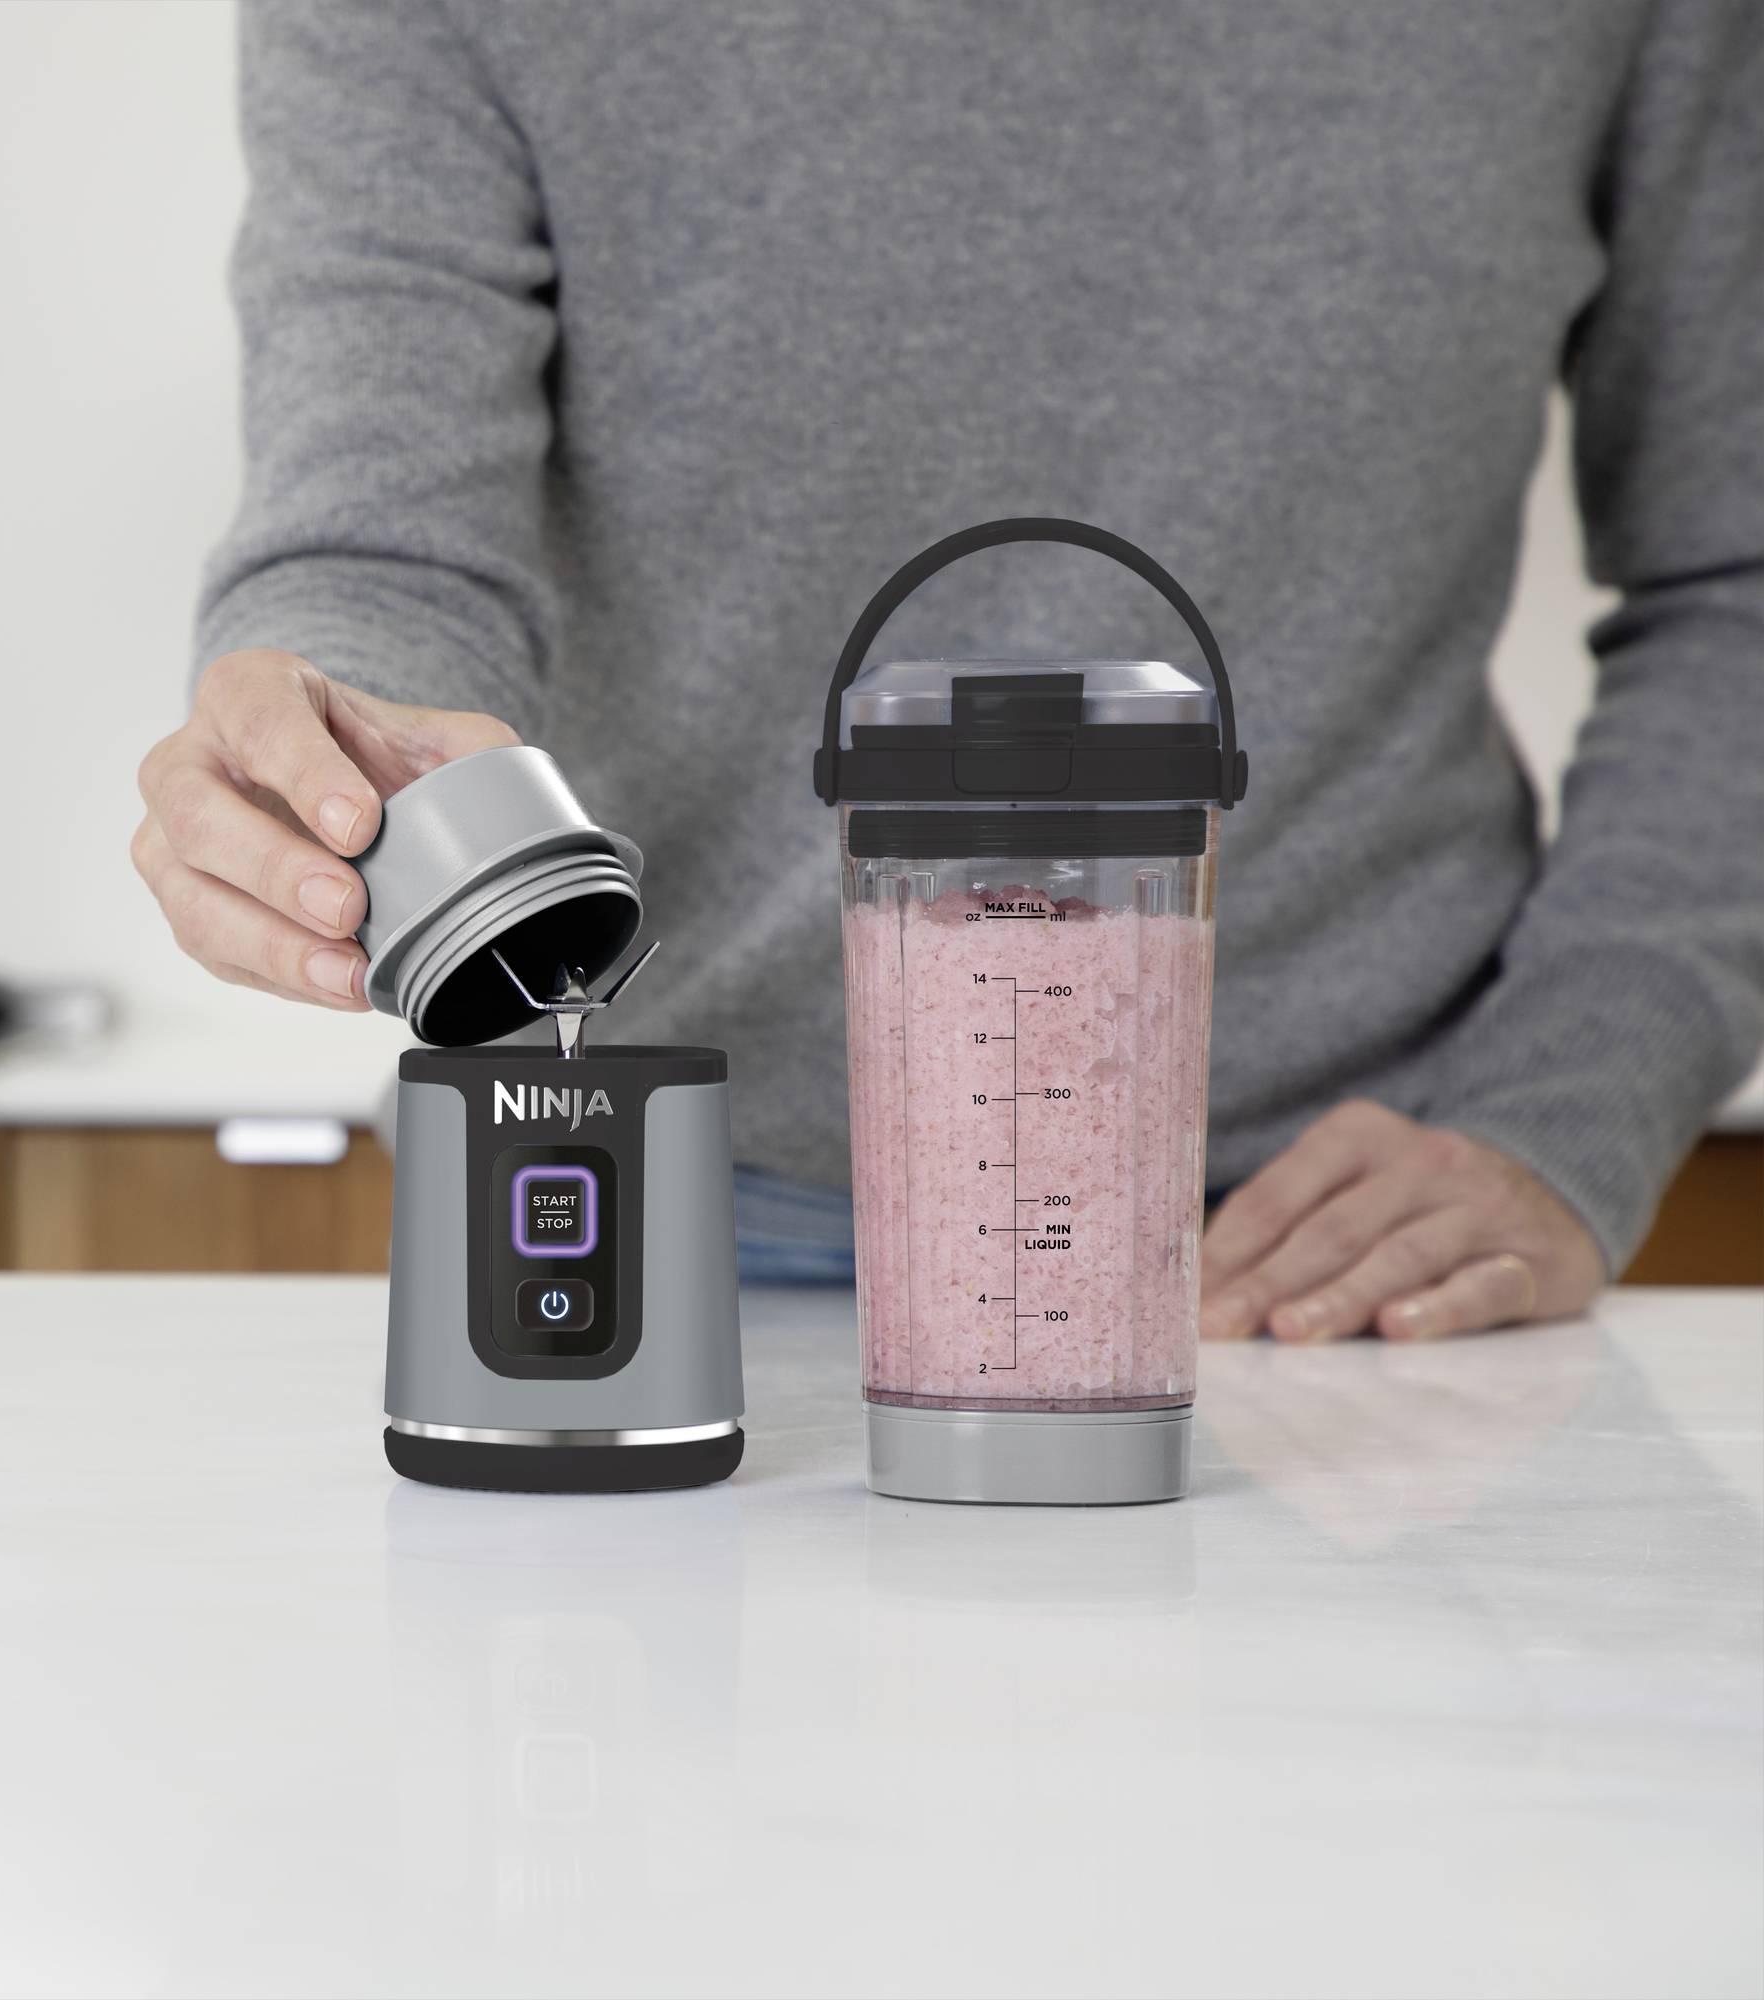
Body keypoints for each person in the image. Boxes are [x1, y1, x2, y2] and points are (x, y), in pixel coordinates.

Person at [133, 3, 1762, 1339]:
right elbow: (389, 548)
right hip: (687, 1222)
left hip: (1333, 1258)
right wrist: (332, 736)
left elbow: (1736, 576)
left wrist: (1565, 1109)